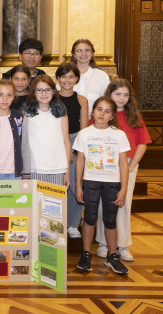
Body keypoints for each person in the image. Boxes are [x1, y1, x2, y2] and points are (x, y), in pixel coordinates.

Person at [93, 79, 151, 262]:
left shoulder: (134, 116)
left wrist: (131, 166)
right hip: (104, 165)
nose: (122, 98)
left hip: (128, 164)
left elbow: (142, 144)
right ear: (109, 94)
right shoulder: (102, 113)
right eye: (118, 94)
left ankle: (123, 245)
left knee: (123, 204)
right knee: (104, 204)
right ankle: (103, 243)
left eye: (126, 95)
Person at [75, 97, 130, 275]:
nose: (102, 113)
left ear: (112, 116)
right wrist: (78, 185)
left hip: (113, 183)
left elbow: (123, 164)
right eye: (99, 109)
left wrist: (123, 189)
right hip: (90, 181)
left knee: (110, 219)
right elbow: (80, 161)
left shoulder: (119, 135)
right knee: (90, 217)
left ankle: (112, 256)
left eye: (107, 111)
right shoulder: (84, 133)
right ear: (93, 111)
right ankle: (86, 254)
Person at [56, 62, 89, 238]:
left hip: (76, 140)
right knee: (59, 183)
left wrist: (77, 150)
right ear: (58, 79)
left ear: (76, 78)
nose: (67, 80)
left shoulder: (81, 99)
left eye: (71, 76)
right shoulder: (52, 98)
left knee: (76, 182)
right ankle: (58, 221)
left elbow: (83, 128)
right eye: (63, 76)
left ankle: (73, 223)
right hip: (55, 141)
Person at [24, 75, 70, 185]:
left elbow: (66, 143)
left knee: (56, 202)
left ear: (53, 91)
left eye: (48, 90)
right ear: (33, 92)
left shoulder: (61, 113)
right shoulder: (27, 113)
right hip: (34, 168)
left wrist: (67, 172)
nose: (44, 94)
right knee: (35, 202)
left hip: (57, 168)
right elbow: (24, 144)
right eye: (39, 90)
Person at [69, 39, 110, 115]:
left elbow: (107, 102)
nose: (83, 53)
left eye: (87, 50)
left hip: (94, 121)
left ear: (92, 53)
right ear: (74, 54)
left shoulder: (102, 76)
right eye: (79, 50)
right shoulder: (66, 76)